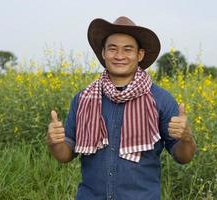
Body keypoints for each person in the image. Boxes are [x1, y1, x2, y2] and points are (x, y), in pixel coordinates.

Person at [47, 16, 197, 200]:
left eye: (128, 49)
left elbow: (183, 157)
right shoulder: (83, 99)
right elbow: (65, 155)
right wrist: (54, 142)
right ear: (103, 53)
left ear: (139, 55)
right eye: (112, 48)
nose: (119, 56)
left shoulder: (160, 100)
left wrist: (187, 138)